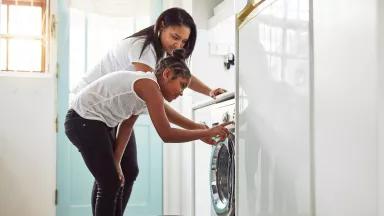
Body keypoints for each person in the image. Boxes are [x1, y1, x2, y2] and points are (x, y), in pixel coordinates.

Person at [70, 7, 227, 215]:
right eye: (175, 37)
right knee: (108, 180)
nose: (178, 45)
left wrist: (209, 91)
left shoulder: (161, 60)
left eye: (183, 42)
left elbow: (134, 115)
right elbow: (160, 113)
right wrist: (201, 130)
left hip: (114, 114)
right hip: (89, 111)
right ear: (161, 26)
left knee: (123, 172)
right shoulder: (144, 52)